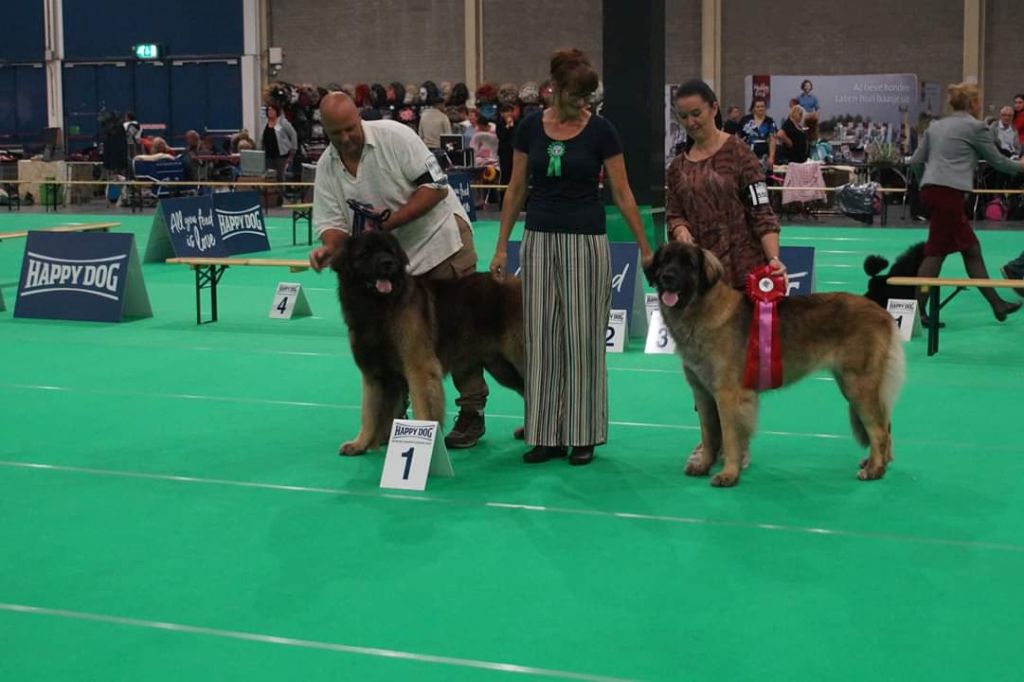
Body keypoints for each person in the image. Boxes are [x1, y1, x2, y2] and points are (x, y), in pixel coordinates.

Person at [490, 48, 653, 466]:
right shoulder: (530, 128)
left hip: (586, 241)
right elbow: (516, 188)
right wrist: (501, 245)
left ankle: (583, 434)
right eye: (577, 94)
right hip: (539, 239)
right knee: (541, 339)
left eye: (589, 96)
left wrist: (646, 247)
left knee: (583, 339)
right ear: (556, 88)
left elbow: (623, 192)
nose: (584, 103)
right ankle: (545, 433)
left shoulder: (602, 132)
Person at [308, 92, 490, 449]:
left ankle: (471, 412)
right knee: (391, 346)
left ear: (359, 118)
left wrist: (391, 224)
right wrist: (331, 250)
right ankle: (395, 424)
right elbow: (331, 224)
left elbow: (437, 186)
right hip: (388, 266)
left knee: (459, 335)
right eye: (335, 134)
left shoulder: (395, 136)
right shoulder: (328, 167)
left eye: (349, 129)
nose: (345, 138)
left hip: (439, 242)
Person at [665, 79, 785, 470]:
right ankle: (708, 444)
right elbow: (674, 213)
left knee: (733, 374)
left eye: (696, 113)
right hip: (697, 286)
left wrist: (773, 261)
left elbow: (761, 211)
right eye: (683, 116)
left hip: (740, 276)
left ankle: (737, 446)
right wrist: (680, 230)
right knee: (699, 372)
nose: (690, 122)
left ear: (714, 108)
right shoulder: (678, 167)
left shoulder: (741, 156)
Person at [909, 82, 1024, 324]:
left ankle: (997, 304)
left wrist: (925, 186)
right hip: (950, 195)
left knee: (971, 249)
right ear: (973, 103)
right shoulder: (975, 127)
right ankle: (916, 313)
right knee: (935, 253)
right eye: (978, 100)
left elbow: (916, 161)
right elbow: (999, 162)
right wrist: (1021, 166)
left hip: (933, 191)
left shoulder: (936, 126)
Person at [738, 96, 778, 169]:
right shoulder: (745, 120)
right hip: (747, 154)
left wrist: (771, 157)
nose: (760, 108)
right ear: (753, 108)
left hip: (763, 155)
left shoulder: (769, 121)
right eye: (758, 106)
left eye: (762, 106)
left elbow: (773, 140)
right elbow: (738, 137)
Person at [261, 104, 298, 184]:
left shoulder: (282, 122)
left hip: (281, 155)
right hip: (268, 155)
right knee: (268, 176)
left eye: (272, 110)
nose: (270, 112)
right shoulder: (264, 123)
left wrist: (293, 149)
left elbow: (293, 134)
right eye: (269, 110)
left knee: (280, 176)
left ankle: (281, 193)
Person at [417, 81, 451, 149]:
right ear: (440, 104)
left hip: (426, 149)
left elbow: (420, 135)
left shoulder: (423, 115)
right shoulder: (443, 117)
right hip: (439, 149)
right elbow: (449, 136)